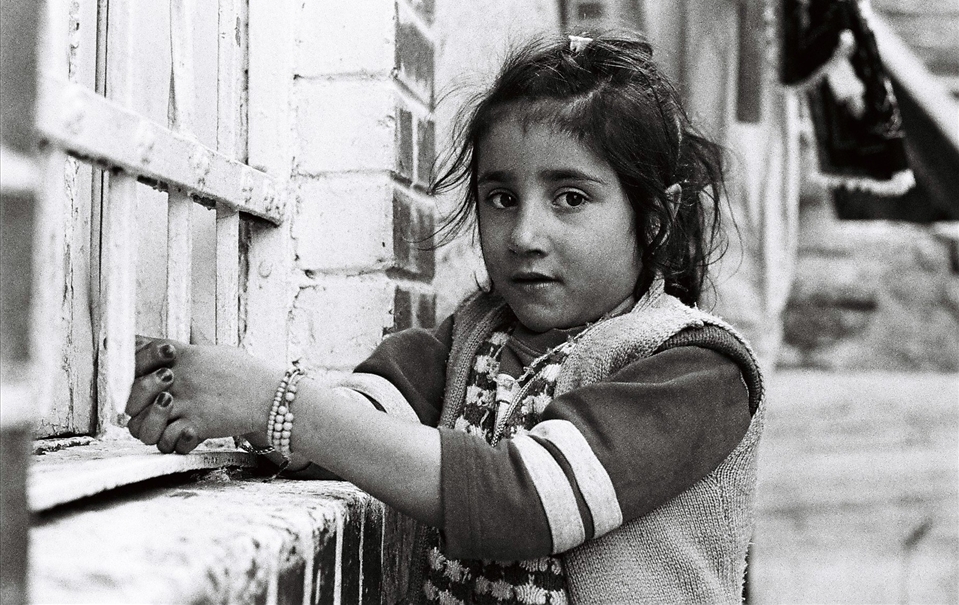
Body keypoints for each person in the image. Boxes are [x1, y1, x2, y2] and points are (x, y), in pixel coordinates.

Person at [128, 32, 765, 605]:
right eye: (501, 198)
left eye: (571, 198)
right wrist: (238, 409)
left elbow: (523, 501)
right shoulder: (470, 339)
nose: (524, 235)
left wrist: (273, 402)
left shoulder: (697, 369)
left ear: (654, 214)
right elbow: (360, 421)